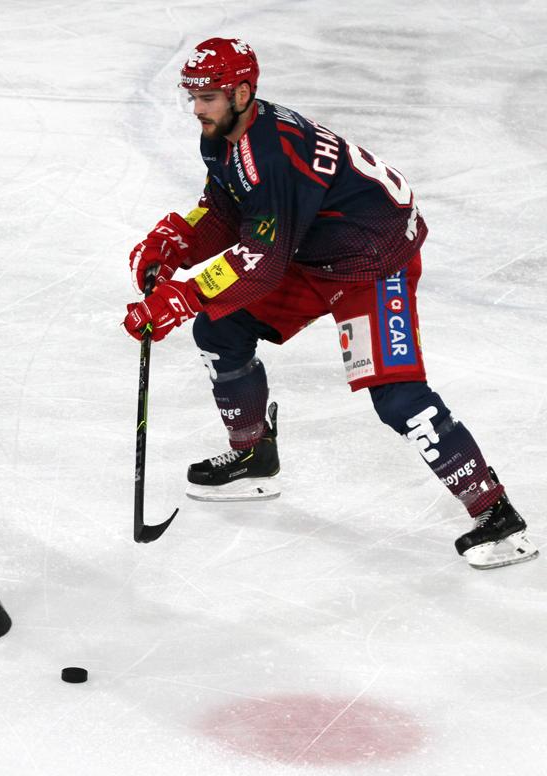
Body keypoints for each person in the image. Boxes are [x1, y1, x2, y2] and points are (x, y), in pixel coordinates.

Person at [122, 37, 537, 570]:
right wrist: (177, 239)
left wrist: (183, 294)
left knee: (396, 396)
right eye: (194, 97)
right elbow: (226, 209)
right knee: (220, 331)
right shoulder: (222, 136)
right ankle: (253, 454)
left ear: (244, 92)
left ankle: (497, 514)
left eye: (210, 97)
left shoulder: (273, 154)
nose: (198, 109)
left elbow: (261, 258)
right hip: (308, 247)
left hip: (372, 259)